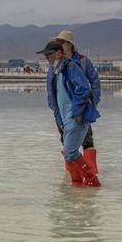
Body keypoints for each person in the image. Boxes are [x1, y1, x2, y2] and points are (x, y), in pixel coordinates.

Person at [39, 40, 101, 187]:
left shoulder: (72, 66)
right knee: (68, 154)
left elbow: (84, 88)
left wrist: (78, 112)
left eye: (48, 55)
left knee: (71, 152)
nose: (46, 58)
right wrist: (57, 116)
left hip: (75, 117)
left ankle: (93, 182)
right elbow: (52, 95)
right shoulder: (54, 71)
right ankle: (77, 185)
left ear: (58, 53)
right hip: (64, 118)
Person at [51, 30, 102, 173]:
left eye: (60, 42)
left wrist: (95, 100)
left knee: (87, 139)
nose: (58, 46)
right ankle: (73, 172)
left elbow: (94, 81)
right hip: (62, 110)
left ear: (69, 44)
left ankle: (91, 171)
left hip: (80, 107)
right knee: (65, 139)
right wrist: (54, 107)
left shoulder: (83, 61)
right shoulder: (56, 63)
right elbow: (52, 87)